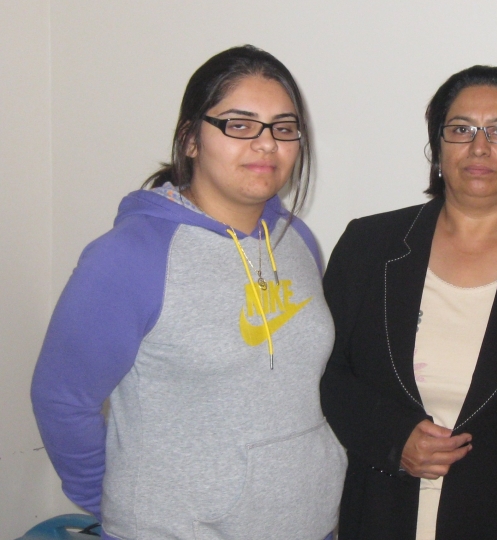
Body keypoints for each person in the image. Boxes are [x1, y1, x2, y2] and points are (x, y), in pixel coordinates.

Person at [30, 45, 345, 540]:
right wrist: (119, 508)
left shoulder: (297, 240)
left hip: (311, 526)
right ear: (191, 140)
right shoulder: (130, 255)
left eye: (283, 128)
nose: (267, 144)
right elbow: (62, 398)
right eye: (240, 125)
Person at [320, 65, 497, 540]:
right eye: (460, 130)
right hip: (381, 514)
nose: (479, 147)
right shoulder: (369, 245)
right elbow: (325, 375)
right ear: (437, 148)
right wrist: (393, 439)